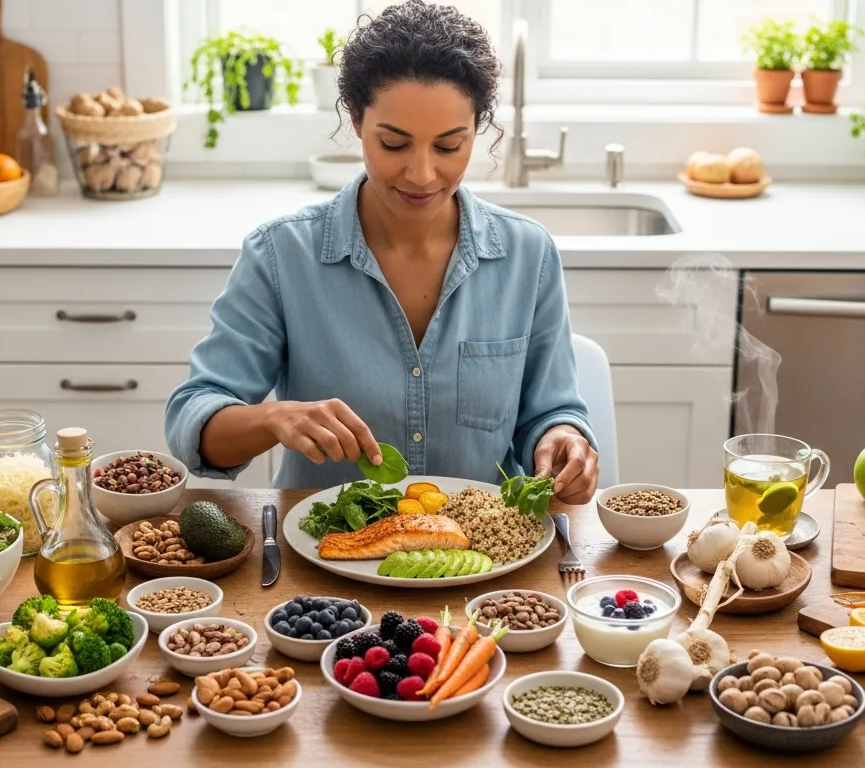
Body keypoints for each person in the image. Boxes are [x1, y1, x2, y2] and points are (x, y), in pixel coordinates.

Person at [165, 0, 598, 504]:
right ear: (355, 121)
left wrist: (563, 439)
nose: (421, 174)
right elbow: (191, 420)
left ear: (478, 128)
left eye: (448, 146)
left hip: (485, 558)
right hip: (321, 558)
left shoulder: (529, 254)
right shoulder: (282, 255)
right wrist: (274, 418)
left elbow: (551, 413)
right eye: (394, 144)